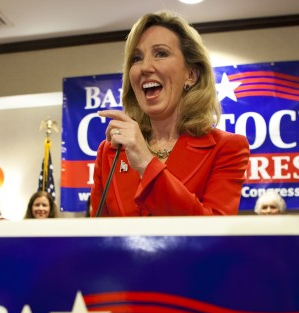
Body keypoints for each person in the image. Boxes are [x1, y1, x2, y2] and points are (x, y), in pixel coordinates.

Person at [90, 11, 249, 217]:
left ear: (191, 74)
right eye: (137, 58)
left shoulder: (227, 148)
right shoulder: (109, 152)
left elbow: (213, 234)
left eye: (161, 53)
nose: (145, 67)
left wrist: (147, 164)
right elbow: (97, 236)